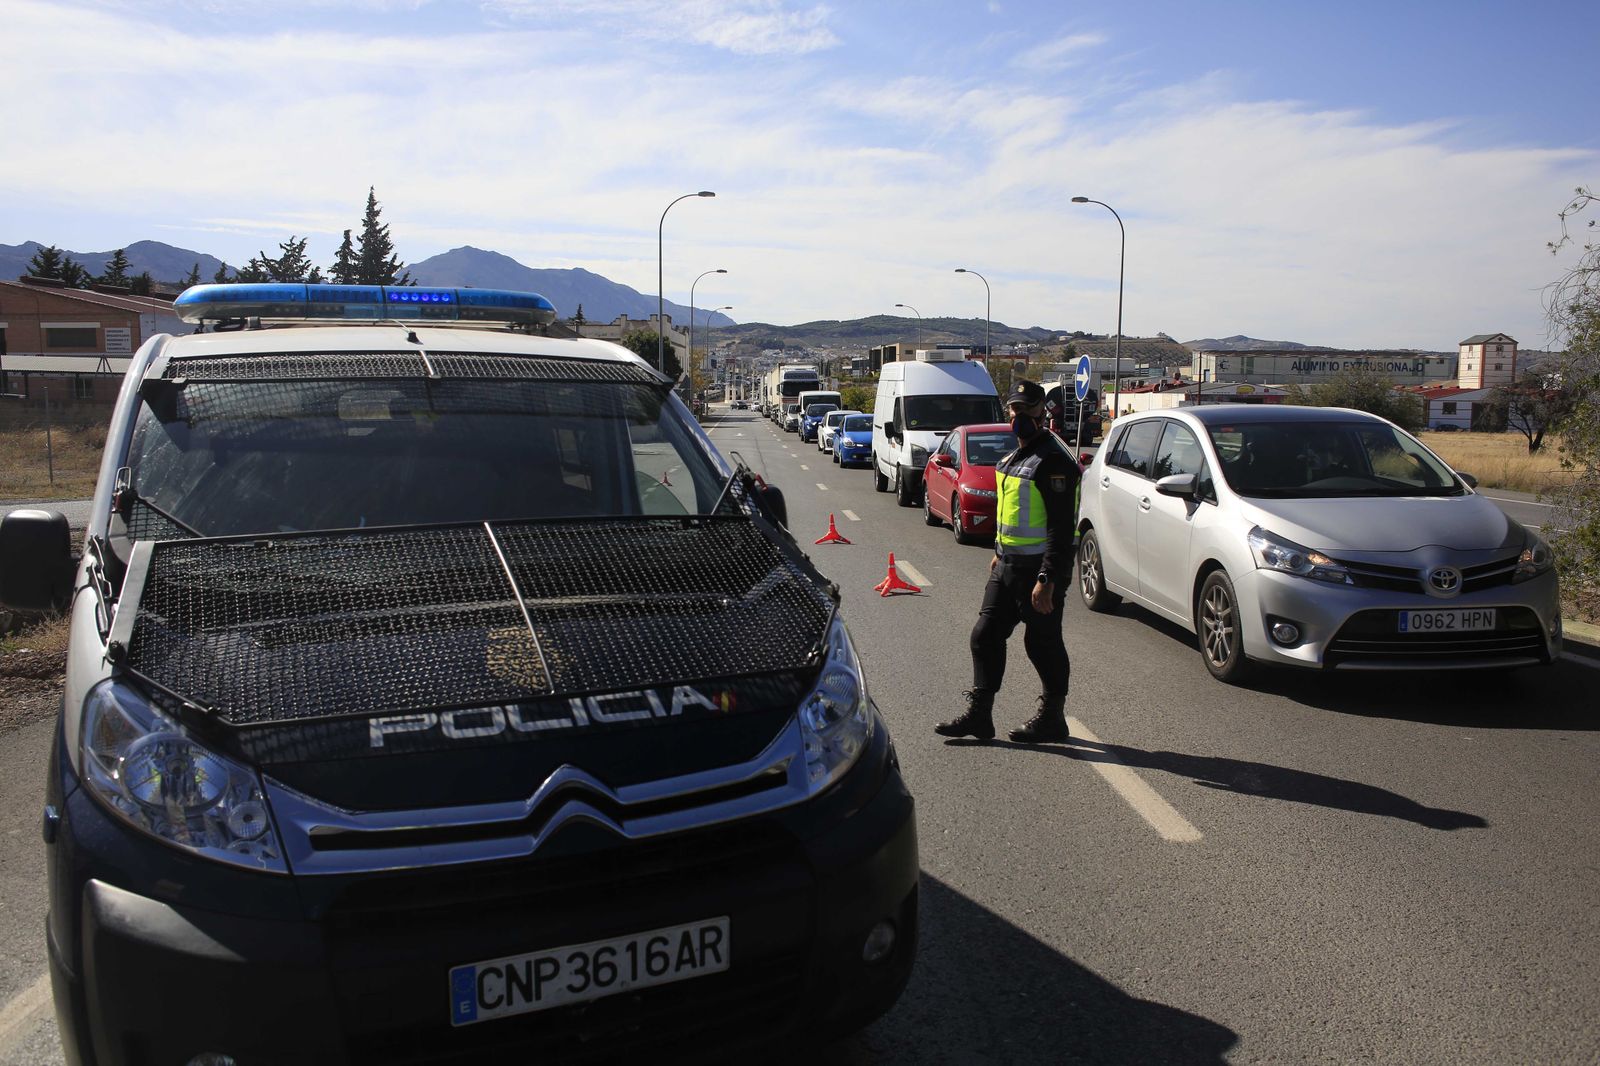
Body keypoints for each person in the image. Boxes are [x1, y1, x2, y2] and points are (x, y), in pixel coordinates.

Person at [936, 379, 1080, 743]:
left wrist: (1048, 578)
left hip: (1039, 572)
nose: (1019, 416)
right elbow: (1012, 515)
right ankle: (980, 717)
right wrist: (998, 553)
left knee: (1042, 644)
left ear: (1041, 414)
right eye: (1014, 409)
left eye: (1027, 410)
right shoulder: (1013, 457)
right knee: (985, 636)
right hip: (1007, 566)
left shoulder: (1054, 461)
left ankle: (1052, 717)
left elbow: (1062, 528)